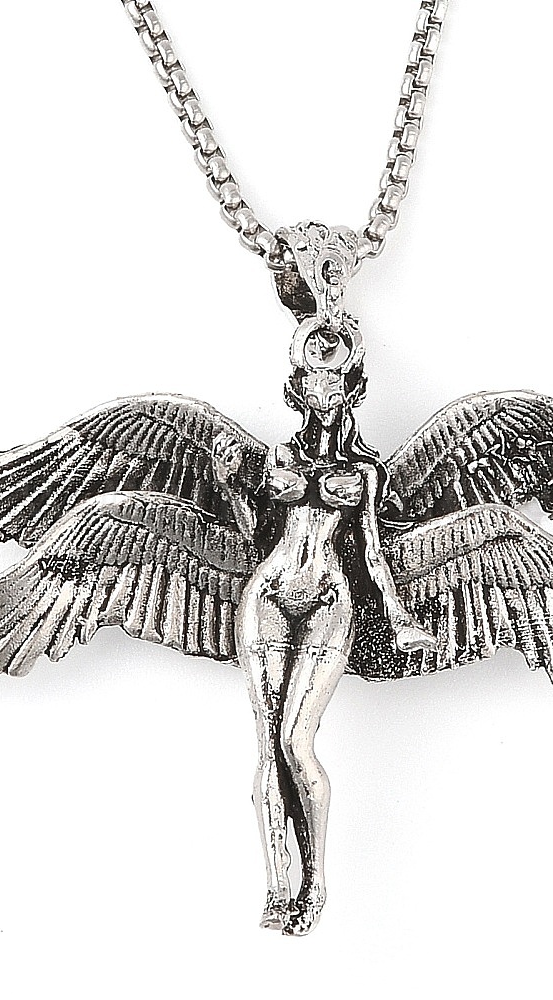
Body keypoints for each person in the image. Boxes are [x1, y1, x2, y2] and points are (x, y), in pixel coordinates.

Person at [214, 320, 436, 935]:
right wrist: (231, 488)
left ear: (351, 388)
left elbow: (370, 547)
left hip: (329, 601)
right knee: (267, 745)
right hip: (267, 593)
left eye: (335, 383)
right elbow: (252, 533)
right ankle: (275, 884)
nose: (325, 393)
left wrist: (397, 616)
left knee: (296, 740)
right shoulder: (279, 457)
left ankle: (313, 880)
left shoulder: (365, 469)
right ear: (298, 389)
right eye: (313, 383)